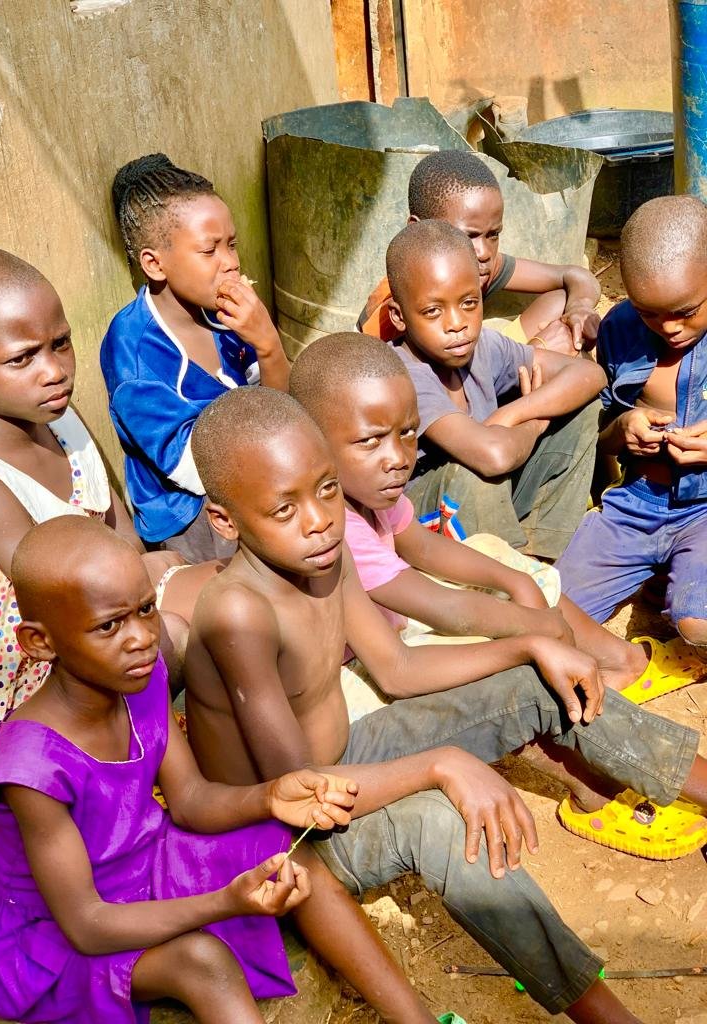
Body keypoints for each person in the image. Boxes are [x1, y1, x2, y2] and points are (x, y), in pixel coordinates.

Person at [184, 385, 707, 1023]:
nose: (319, 519)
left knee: (534, 681)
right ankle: (604, 1014)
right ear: (224, 521)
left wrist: (529, 646)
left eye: (327, 490)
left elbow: (398, 669)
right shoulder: (238, 614)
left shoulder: (324, 556)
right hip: (291, 832)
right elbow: (304, 792)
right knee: (439, 821)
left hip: (350, 756)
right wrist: (442, 764)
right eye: (284, 508)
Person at [0, 515, 443, 1024]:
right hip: (53, 938)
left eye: (146, 609)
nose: (141, 638)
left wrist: (269, 796)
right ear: (39, 642)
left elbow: (191, 800)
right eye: (109, 625)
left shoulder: (138, 681)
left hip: (145, 862)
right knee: (203, 961)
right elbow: (87, 925)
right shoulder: (31, 769)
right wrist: (224, 902)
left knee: (288, 856)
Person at [288, 331, 700, 703]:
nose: (398, 458)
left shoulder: (368, 491)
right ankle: (579, 693)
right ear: (312, 442)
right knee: (522, 649)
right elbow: (439, 608)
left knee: (495, 555)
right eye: (370, 441)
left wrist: (516, 580)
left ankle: (617, 662)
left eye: (409, 432)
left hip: (396, 628)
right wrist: (532, 627)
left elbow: (421, 546)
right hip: (359, 675)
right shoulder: (334, 529)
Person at [0, 246, 214, 763]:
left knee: (231, 588)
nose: (54, 371)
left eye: (60, 344)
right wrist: (149, 571)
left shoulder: (61, 419)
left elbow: (125, 537)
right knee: (183, 630)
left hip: (109, 619)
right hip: (41, 691)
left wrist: (150, 567)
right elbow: (76, 601)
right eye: (22, 358)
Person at [101, 152, 289, 563]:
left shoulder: (225, 314)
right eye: (209, 251)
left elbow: (283, 410)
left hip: (255, 462)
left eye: (232, 245)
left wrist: (269, 346)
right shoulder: (136, 354)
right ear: (155, 264)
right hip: (190, 511)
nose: (232, 263)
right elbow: (194, 470)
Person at [383, 219, 605, 558]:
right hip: (427, 529)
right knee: (473, 470)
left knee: (581, 408)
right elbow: (493, 457)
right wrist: (536, 423)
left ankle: (538, 555)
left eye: (469, 303)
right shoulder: (402, 377)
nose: (457, 324)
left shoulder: (483, 346)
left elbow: (589, 374)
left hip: (489, 500)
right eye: (433, 311)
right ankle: (502, 574)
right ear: (399, 317)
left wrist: (514, 413)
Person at [557, 195, 707, 659]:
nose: (669, 327)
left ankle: (680, 578)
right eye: (649, 313)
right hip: (634, 508)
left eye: (685, 311)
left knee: (698, 622)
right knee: (550, 614)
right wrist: (620, 429)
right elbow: (597, 434)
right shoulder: (619, 329)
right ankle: (663, 568)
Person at [359, 147, 600, 355]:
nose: (484, 252)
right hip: (431, 384)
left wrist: (580, 307)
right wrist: (535, 353)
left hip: (472, 364)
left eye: (493, 235)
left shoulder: (481, 264)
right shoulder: (396, 310)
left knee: (561, 304)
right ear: (418, 229)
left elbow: (575, 276)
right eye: (468, 236)